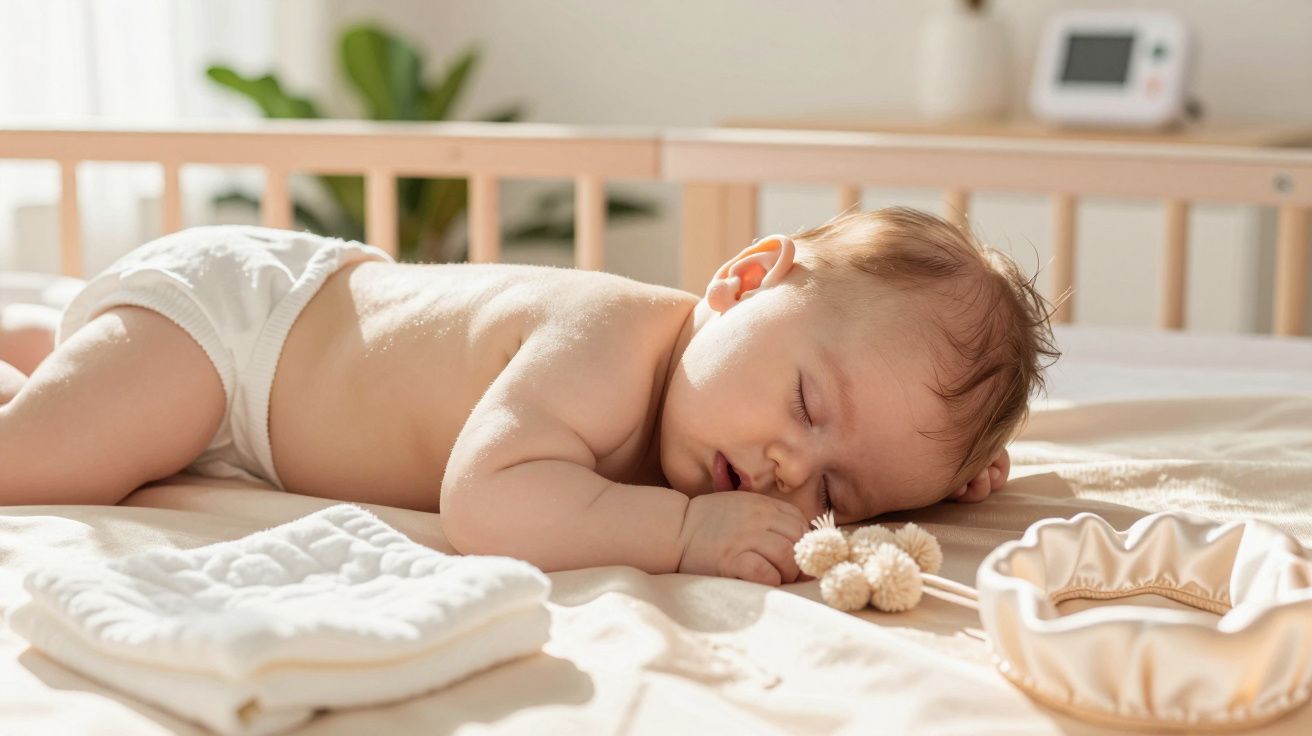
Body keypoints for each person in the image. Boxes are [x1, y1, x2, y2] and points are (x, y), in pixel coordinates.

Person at [0, 207, 1058, 586]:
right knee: (33, 463)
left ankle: (45, 340)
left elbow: (879, 440)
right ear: (740, 284)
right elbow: (486, 501)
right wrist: (682, 533)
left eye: (840, 490)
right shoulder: (604, 342)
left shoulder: (724, 419)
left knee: (92, 392)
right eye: (808, 406)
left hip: (265, 370)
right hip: (239, 339)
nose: (792, 470)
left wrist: (944, 469)